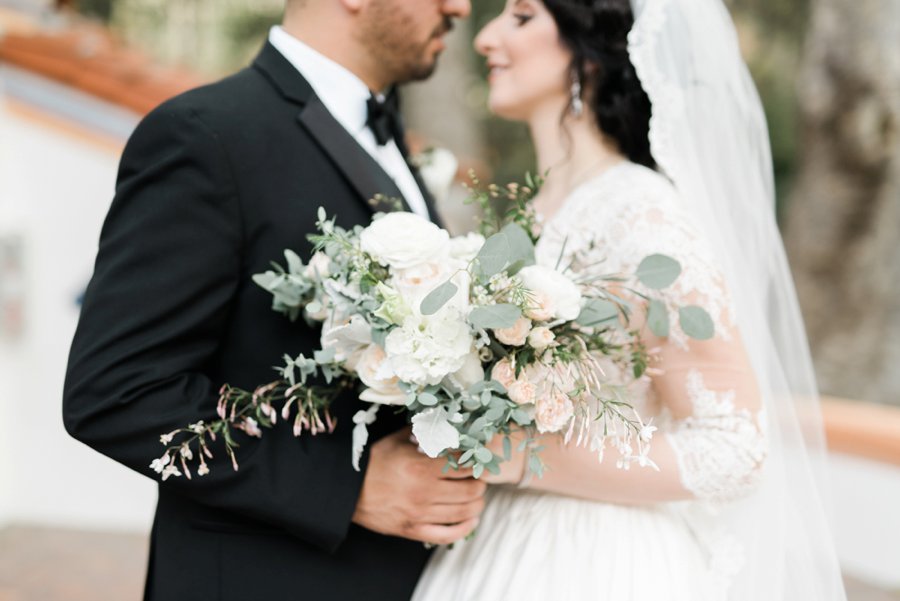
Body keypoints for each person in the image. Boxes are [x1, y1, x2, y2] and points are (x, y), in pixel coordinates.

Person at [413, 0, 848, 599]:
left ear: (589, 53)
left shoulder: (643, 216)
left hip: (597, 559)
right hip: (495, 543)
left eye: (519, 16)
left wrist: (524, 453)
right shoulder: (530, 214)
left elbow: (735, 447)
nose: (485, 37)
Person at [62, 1, 482, 599]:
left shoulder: (392, 145)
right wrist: (347, 486)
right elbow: (117, 393)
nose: (458, 6)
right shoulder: (207, 133)